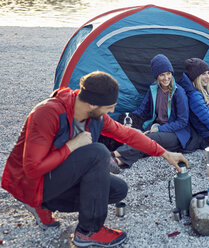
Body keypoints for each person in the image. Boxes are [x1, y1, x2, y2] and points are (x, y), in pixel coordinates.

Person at [1, 71, 188, 247]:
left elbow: (127, 134)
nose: (112, 110)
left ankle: (43, 205)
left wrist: (164, 153)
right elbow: (32, 168)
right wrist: (71, 146)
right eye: (109, 107)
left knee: (117, 190)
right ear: (92, 104)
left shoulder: (94, 116)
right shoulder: (47, 114)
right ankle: (88, 231)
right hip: (32, 183)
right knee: (98, 152)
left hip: (55, 177)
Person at [111, 54, 200, 169]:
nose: (166, 78)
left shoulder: (179, 92)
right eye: (162, 75)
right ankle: (117, 162)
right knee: (142, 142)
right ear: (156, 76)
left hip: (176, 133)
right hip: (156, 127)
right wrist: (127, 120)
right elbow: (142, 111)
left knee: (148, 139)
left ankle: (112, 155)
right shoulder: (153, 89)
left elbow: (182, 122)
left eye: (168, 73)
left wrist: (158, 129)